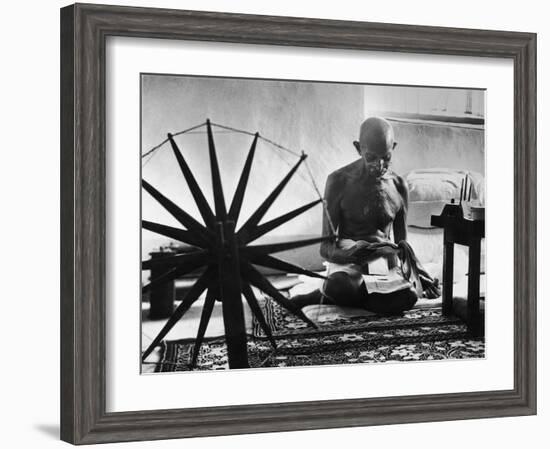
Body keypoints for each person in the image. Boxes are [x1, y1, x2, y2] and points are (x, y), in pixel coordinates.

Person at [292, 117, 440, 315]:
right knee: (338, 285)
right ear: (358, 148)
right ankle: (354, 298)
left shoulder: (399, 186)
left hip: (384, 268)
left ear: (393, 147)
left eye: (386, 157)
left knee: (411, 296)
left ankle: (330, 297)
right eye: (371, 157)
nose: (379, 165)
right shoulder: (338, 181)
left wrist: (417, 271)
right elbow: (325, 247)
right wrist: (351, 254)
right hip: (349, 265)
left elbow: (402, 245)